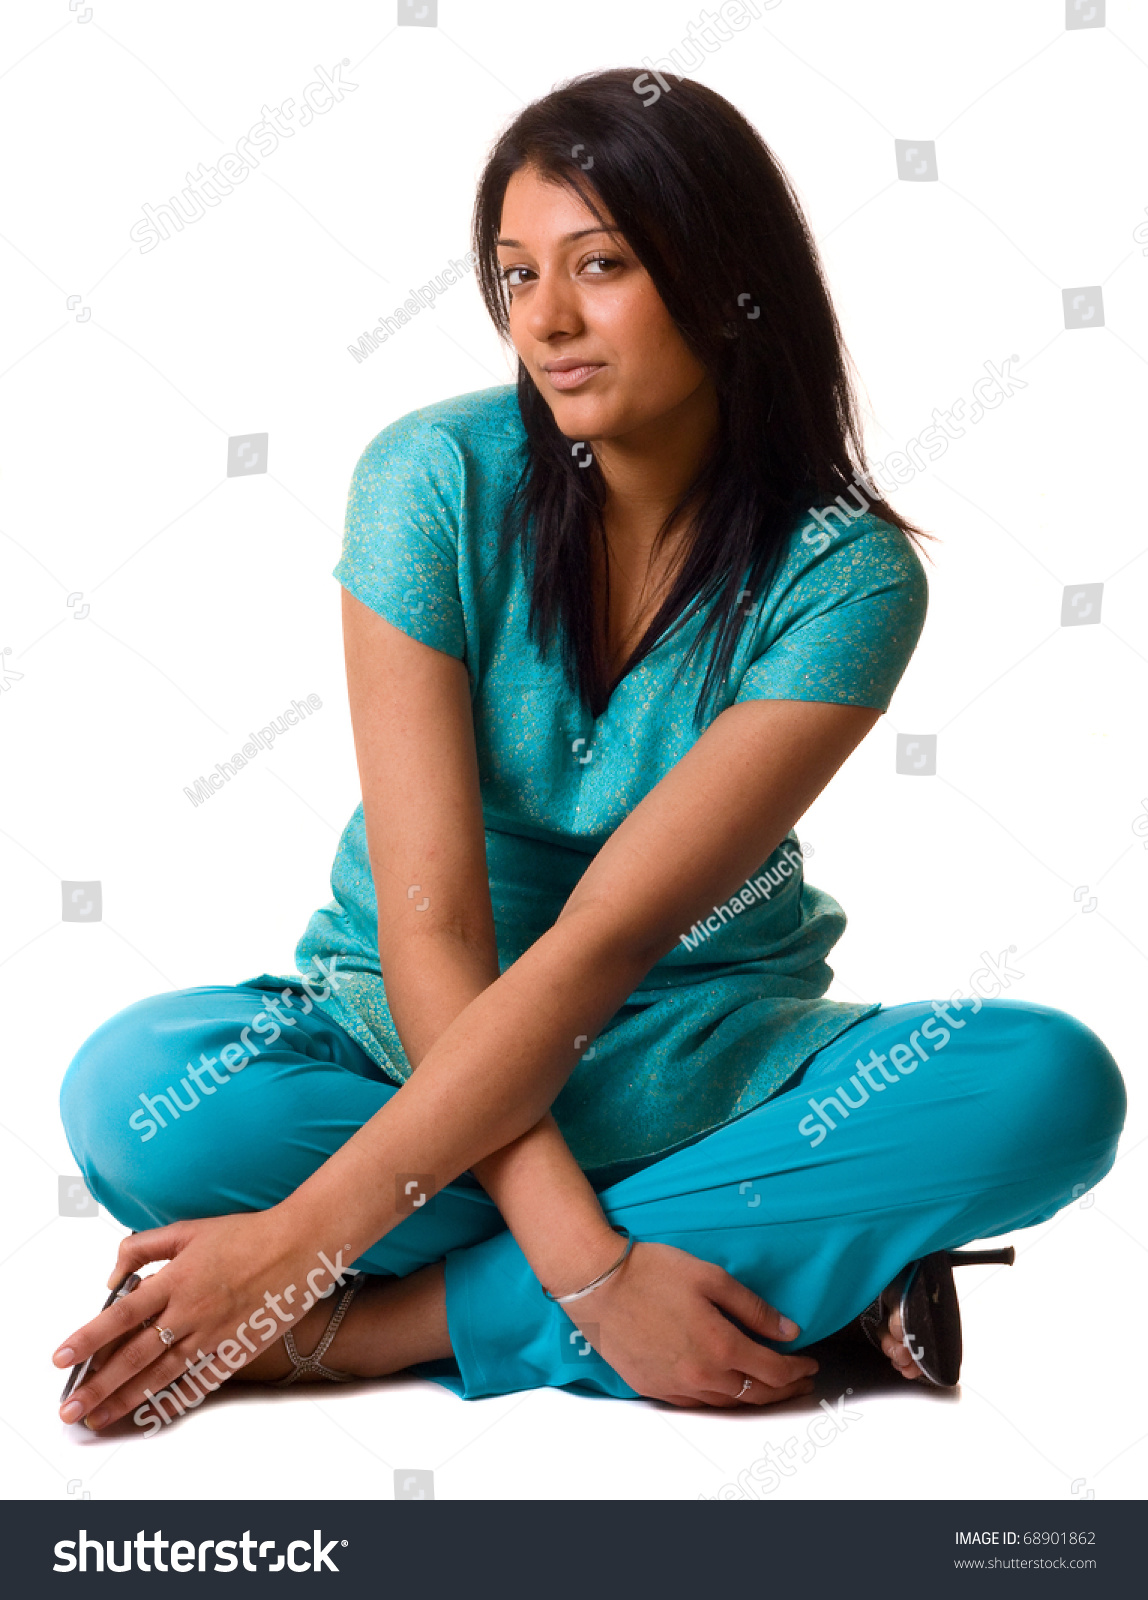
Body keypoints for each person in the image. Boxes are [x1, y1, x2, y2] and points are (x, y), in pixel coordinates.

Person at [55, 70, 1124, 1433]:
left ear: (729, 283)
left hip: (685, 1051)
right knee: (144, 1103)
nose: (544, 321)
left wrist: (298, 1265)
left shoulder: (842, 576)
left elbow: (598, 953)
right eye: (514, 276)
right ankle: (815, 1270)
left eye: (601, 265)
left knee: (1047, 1087)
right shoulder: (429, 479)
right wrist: (583, 1253)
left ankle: (398, 1324)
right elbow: (433, 928)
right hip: (402, 1035)